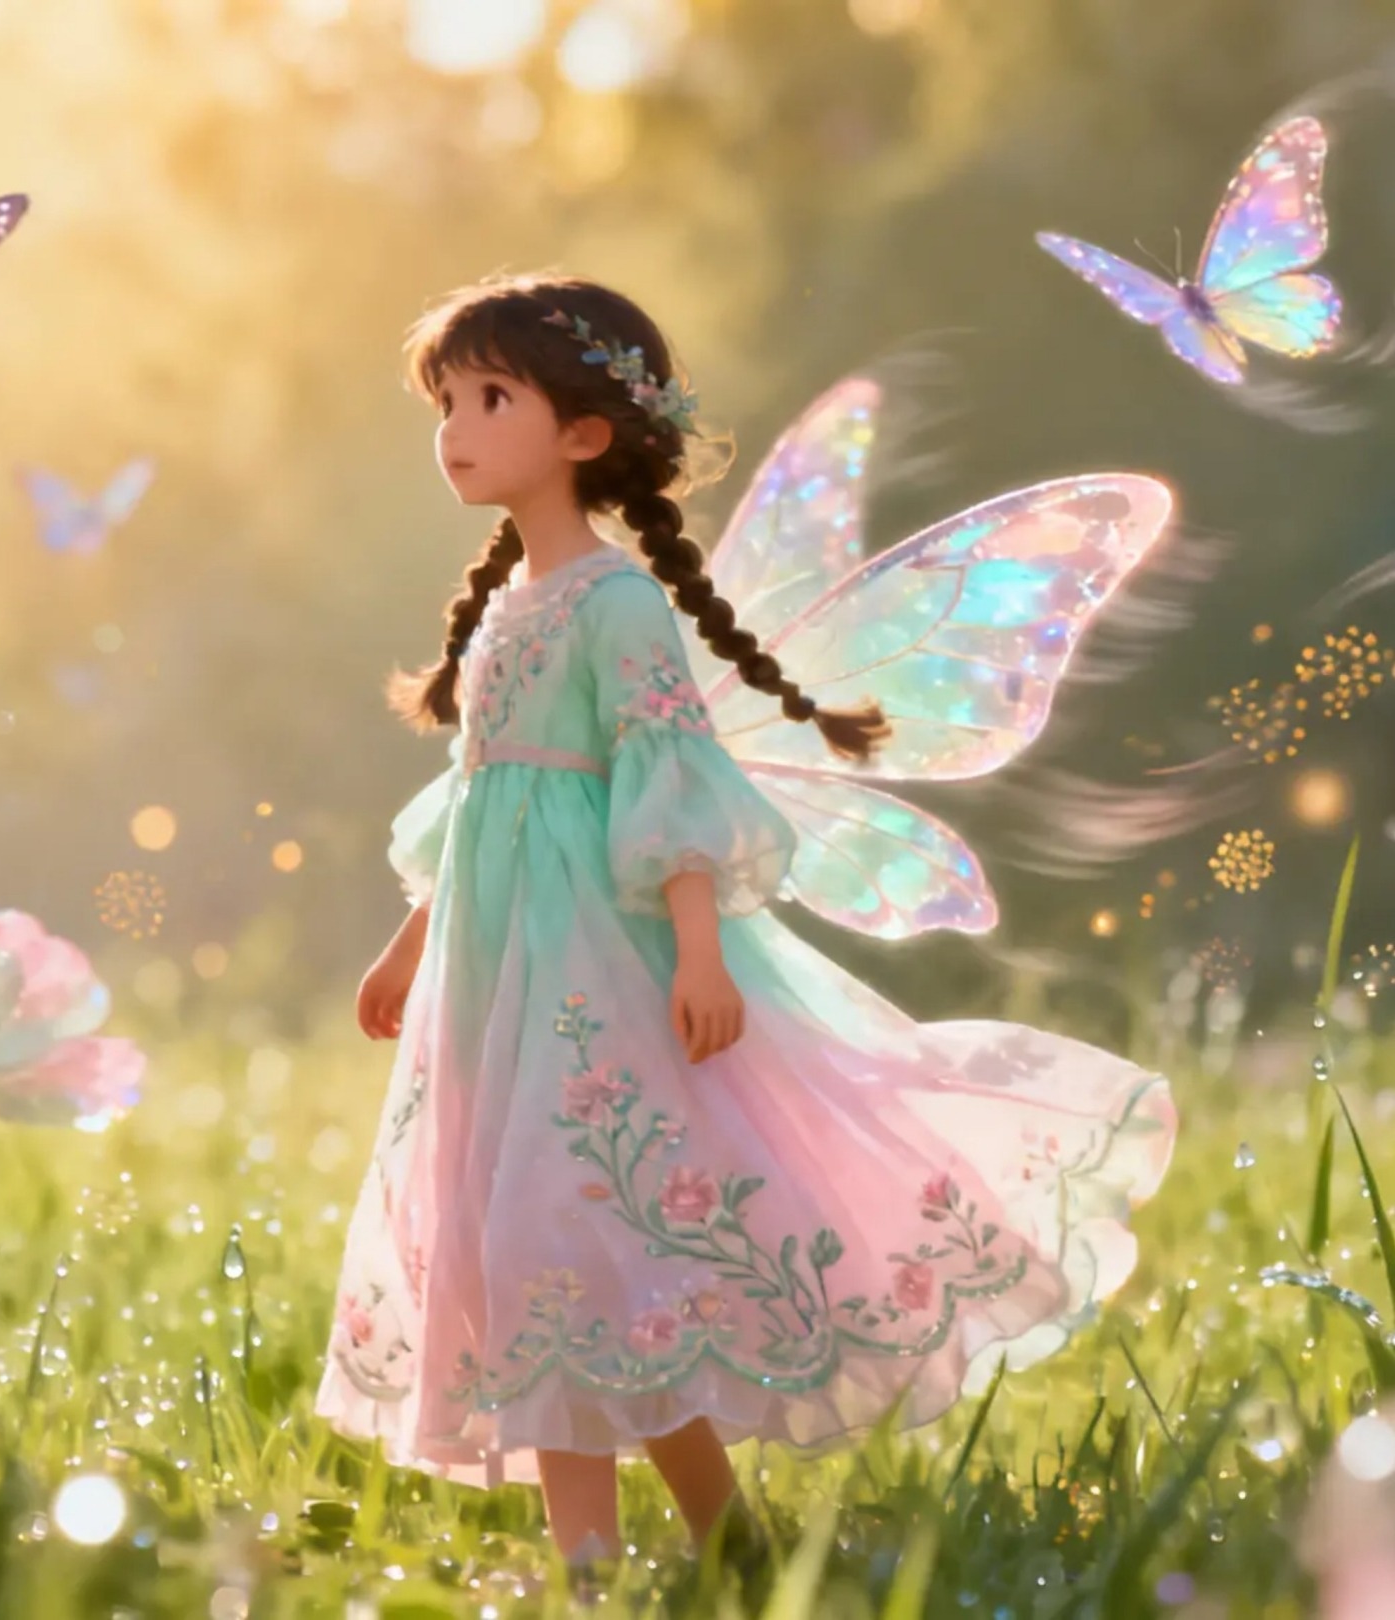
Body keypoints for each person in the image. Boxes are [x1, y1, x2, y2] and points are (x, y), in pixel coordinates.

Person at [314, 272, 1178, 1587]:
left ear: (584, 432)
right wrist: (409, 941)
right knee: (521, 1250)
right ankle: (599, 1572)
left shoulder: (614, 603)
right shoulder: (503, 608)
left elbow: (668, 773)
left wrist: (701, 951)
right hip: (493, 963)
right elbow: (482, 794)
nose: (455, 428)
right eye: (447, 402)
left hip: (590, 955)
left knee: (589, 1227)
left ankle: (720, 1546)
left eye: (490, 399)